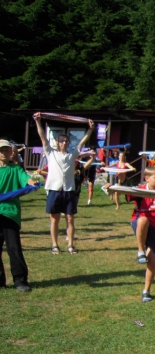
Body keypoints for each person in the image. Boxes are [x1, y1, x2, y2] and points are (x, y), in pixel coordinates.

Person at [34, 112, 94, 254]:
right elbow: (42, 137)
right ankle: (54, 245)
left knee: (70, 219)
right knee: (54, 219)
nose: (65, 143)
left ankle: (70, 245)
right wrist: (38, 121)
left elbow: (82, 142)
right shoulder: (51, 153)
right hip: (54, 190)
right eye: (62, 141)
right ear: (57, 142)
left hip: (69, 190)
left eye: (67, 141)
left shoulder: (72, 153)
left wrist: (90, 129)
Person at [127, 166, 155, 303]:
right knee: (143, 219)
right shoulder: (140, 190)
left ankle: (146, 291)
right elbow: (124, 192)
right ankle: (140, 251)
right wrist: (111, 187)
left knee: (152, 260)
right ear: (147, 178)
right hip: (140, 223)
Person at [0, 139, 39, 292]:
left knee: (14, 248)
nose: (4, 153)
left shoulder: (16, 169)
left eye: (6, 150)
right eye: (1, 150)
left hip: (10, 213)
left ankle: (20, 280)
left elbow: (26, 179)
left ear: (11, 153)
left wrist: (31, 182)